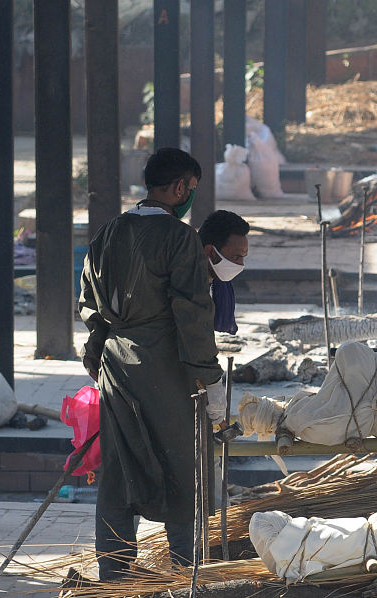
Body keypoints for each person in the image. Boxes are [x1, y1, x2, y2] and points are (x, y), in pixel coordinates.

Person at [79, 148, 226, 580]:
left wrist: (96, 356)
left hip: (116, 370)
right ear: (180, 187)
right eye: (191, 190)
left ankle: (114, 576)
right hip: (167, 368)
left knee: (121, 472)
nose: (189, 198)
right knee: (181, 467)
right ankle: (185, 576)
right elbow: (194, 314)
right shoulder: (179, 238)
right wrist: (209, 378)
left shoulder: (108, 233)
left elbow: (89, 304)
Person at [198, 210, 250, 335]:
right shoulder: (186, 286)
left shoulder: (216, 283)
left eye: (243, 257)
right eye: (236, 257)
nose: (241, 264)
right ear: (211, 252)